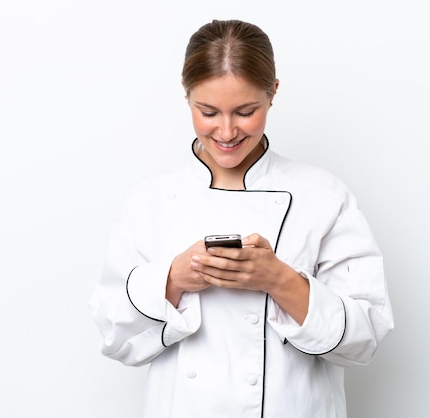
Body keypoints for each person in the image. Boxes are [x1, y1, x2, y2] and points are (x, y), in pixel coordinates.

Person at [90, 19, 394, 418]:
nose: (227, 130)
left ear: (273, 94)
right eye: (209, 111)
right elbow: (113, 335)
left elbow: (364, 339)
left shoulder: (322, 196)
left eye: (245, 111)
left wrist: (279, 280)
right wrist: (173, 279)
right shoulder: (150, 200)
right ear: (187, 97)